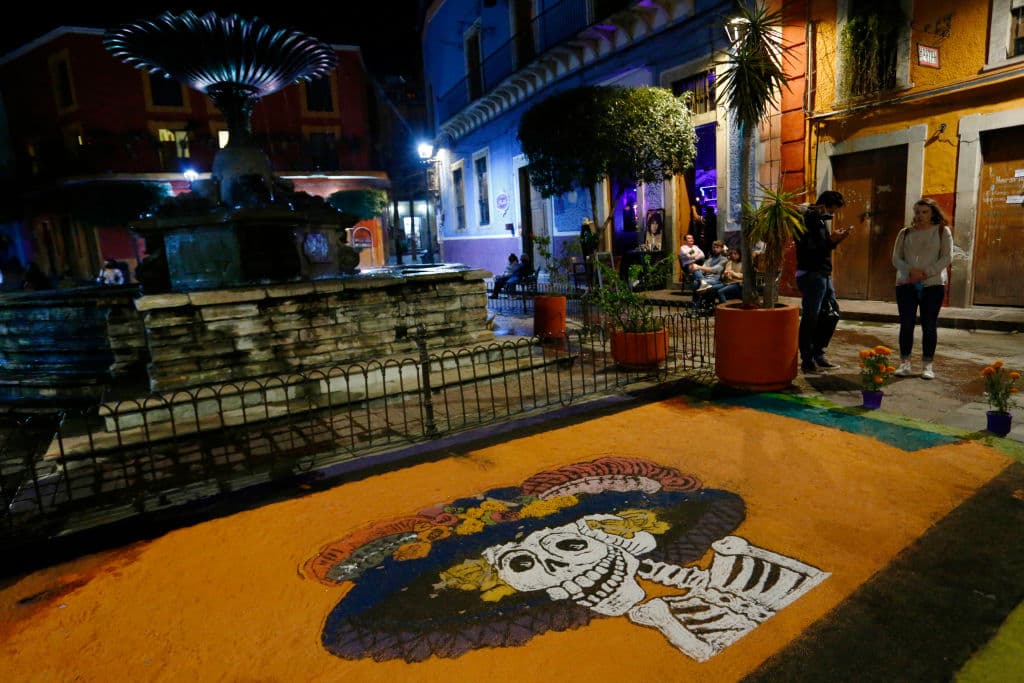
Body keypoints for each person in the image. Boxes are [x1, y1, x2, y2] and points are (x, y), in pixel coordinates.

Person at [891, 198, 953, 380]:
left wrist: (926, 272)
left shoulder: (942, 231)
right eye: (917, 212)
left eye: (925, 212)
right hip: (906, 284)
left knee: (929, 326)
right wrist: (911, 271)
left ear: (933, 213)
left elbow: (947, 257)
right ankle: (905, 363)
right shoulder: (905, 233)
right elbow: (896, 258)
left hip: (932, 285)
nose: (920, 215)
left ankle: (927, 365)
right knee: (906, 325)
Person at [794, 191, 853, 373]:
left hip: (822, 274)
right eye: (832, 210)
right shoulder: (807, 220)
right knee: (811, 317)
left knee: (830, 313)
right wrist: (830, 241)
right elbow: (809, 250)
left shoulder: (819, 220)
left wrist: (835, 240)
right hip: (811, 274)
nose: (833, 214)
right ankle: (807, 359)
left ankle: (818, 353)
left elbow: (822, 248)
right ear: (824, 205)